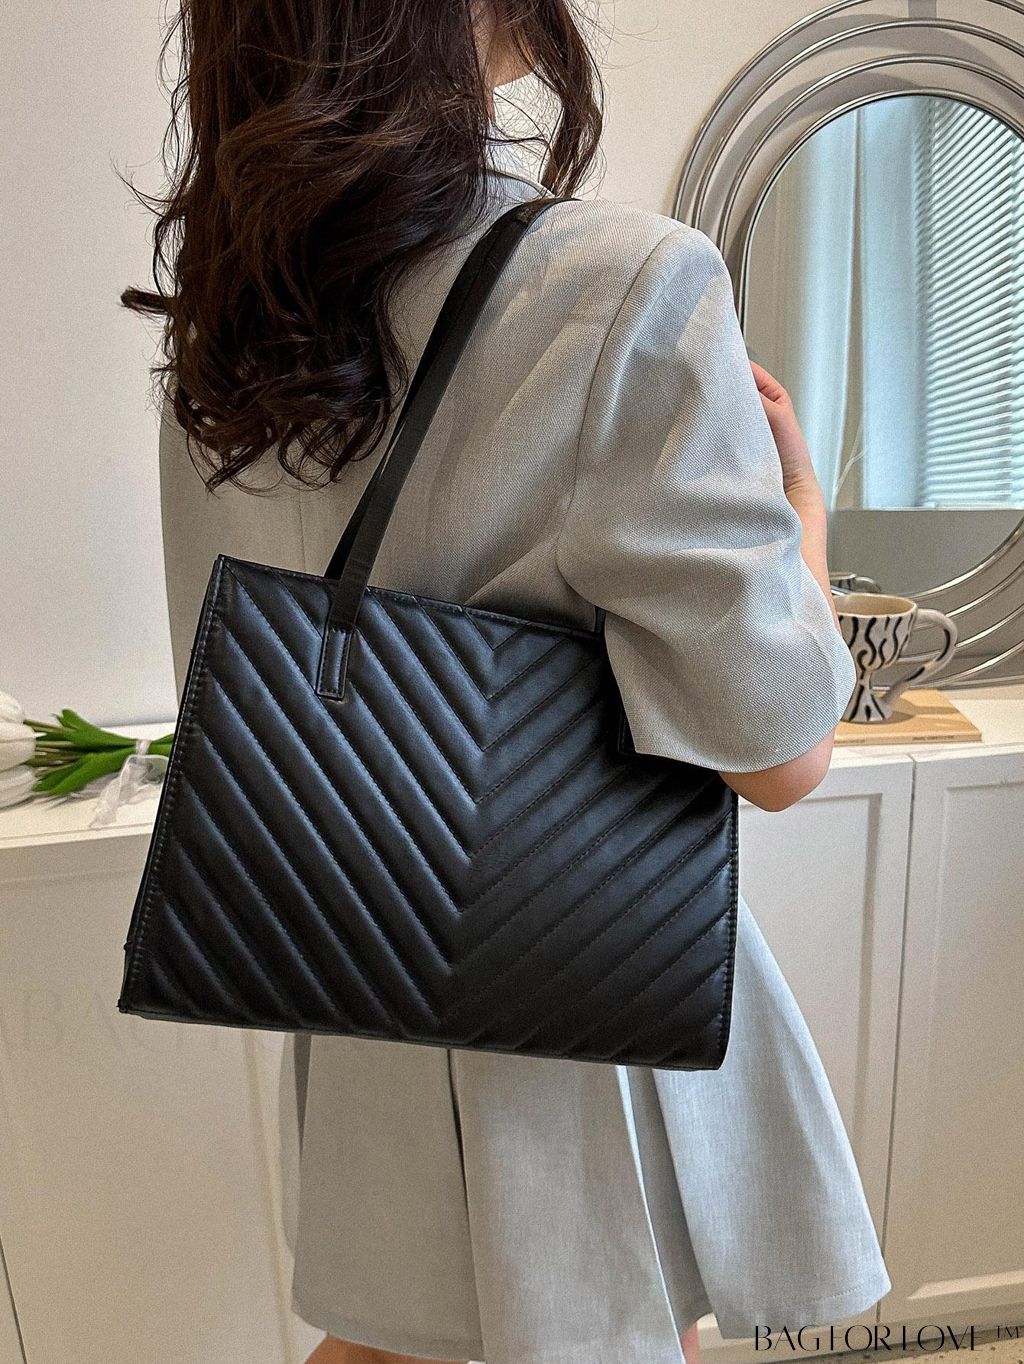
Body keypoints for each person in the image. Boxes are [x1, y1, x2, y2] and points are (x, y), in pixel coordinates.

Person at [122, 2, 892, 1361]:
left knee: (387, 1340)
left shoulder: (228, 330)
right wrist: (804, 523)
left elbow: (238, 665)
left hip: (355, 986)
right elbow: (778, 754)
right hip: (574, 1003)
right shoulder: (619, 284)